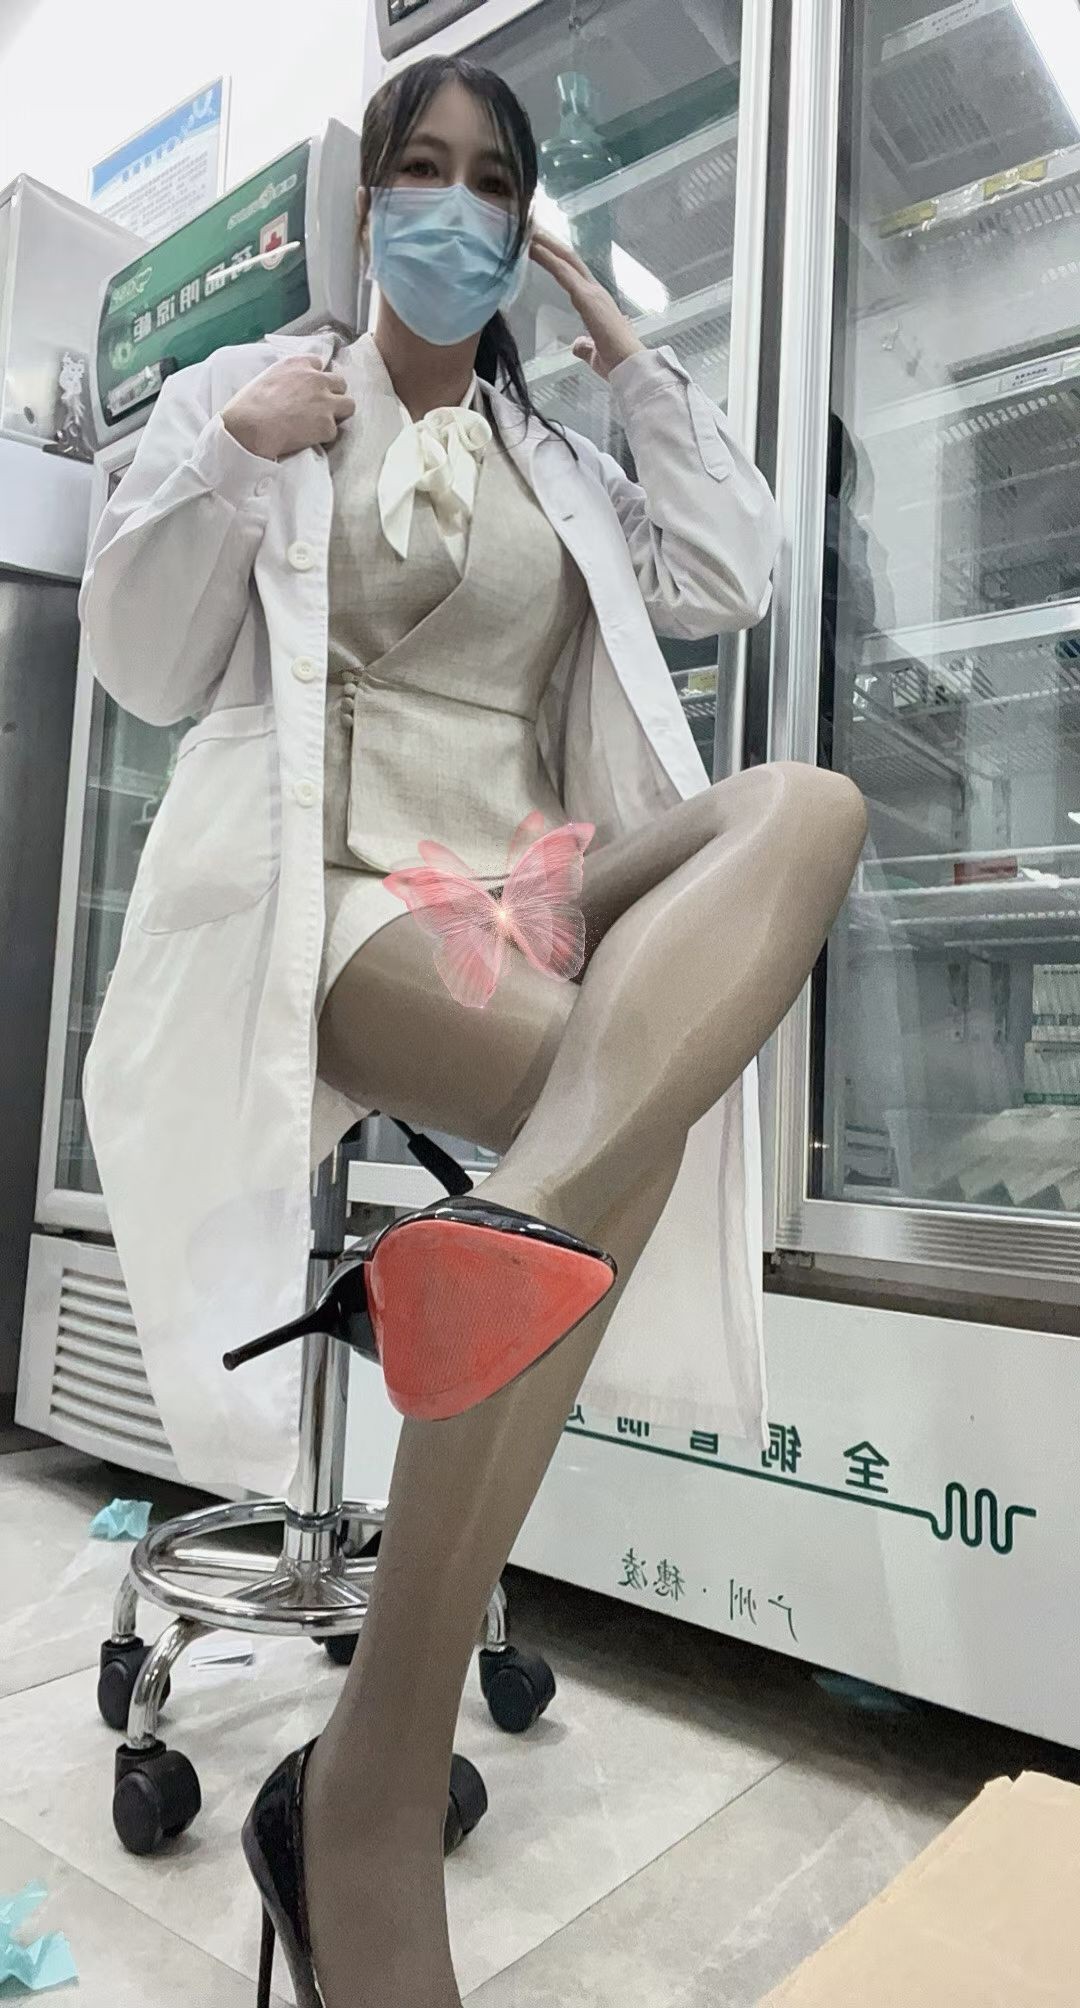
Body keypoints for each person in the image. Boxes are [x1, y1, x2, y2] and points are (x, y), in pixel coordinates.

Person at [80, 53, 866, 2008]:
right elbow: (144, 661)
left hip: (532, 888)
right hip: (342, 894)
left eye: (489, 181)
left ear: (522, 223)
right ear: (369, 208)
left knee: (804, 807)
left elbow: (741, 567)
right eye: (417, 169)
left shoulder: (557, 456)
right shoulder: (255, 392)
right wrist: (229, 449)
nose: (453, 204)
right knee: (617, 1129)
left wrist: (625, 355)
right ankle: (367, 1788)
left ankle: (491, 1241)